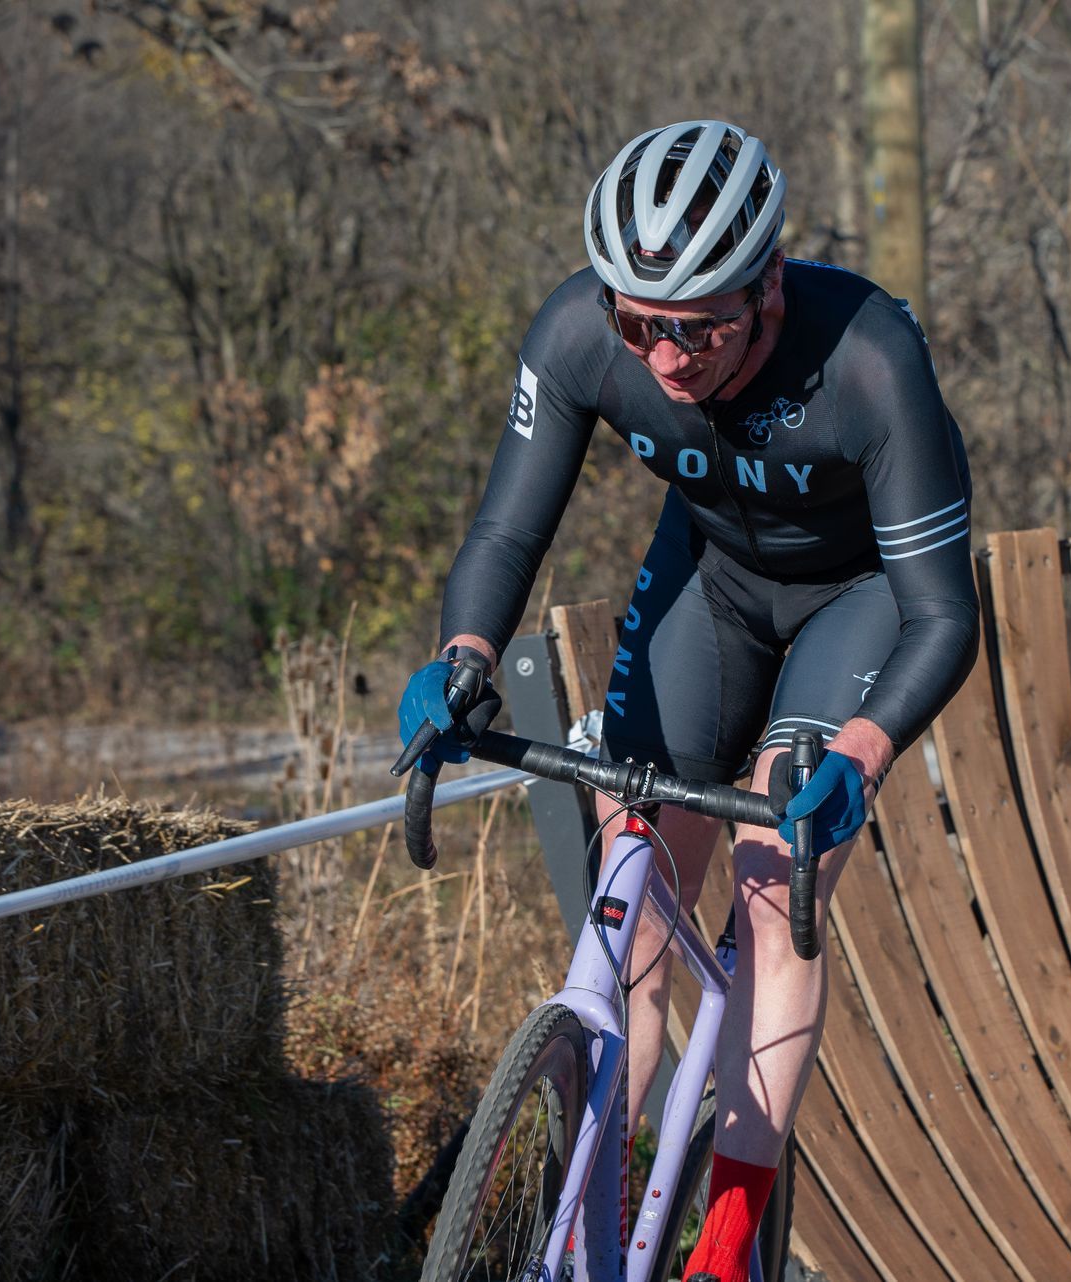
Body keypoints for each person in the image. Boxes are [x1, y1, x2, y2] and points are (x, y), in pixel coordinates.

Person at [399, 119, 977, 1282]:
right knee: (639, 888)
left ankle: (727, 1231)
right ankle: (590, 1214)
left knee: (776, 880)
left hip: (857, 602)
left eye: (702, 326)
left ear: (769, 283)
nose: (666, 359)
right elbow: (511, 526)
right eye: (641, 325)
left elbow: (944, 615)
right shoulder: (577, 329)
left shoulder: (867, 356)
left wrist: (858, 756)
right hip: (710, 586)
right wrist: (463, 653)